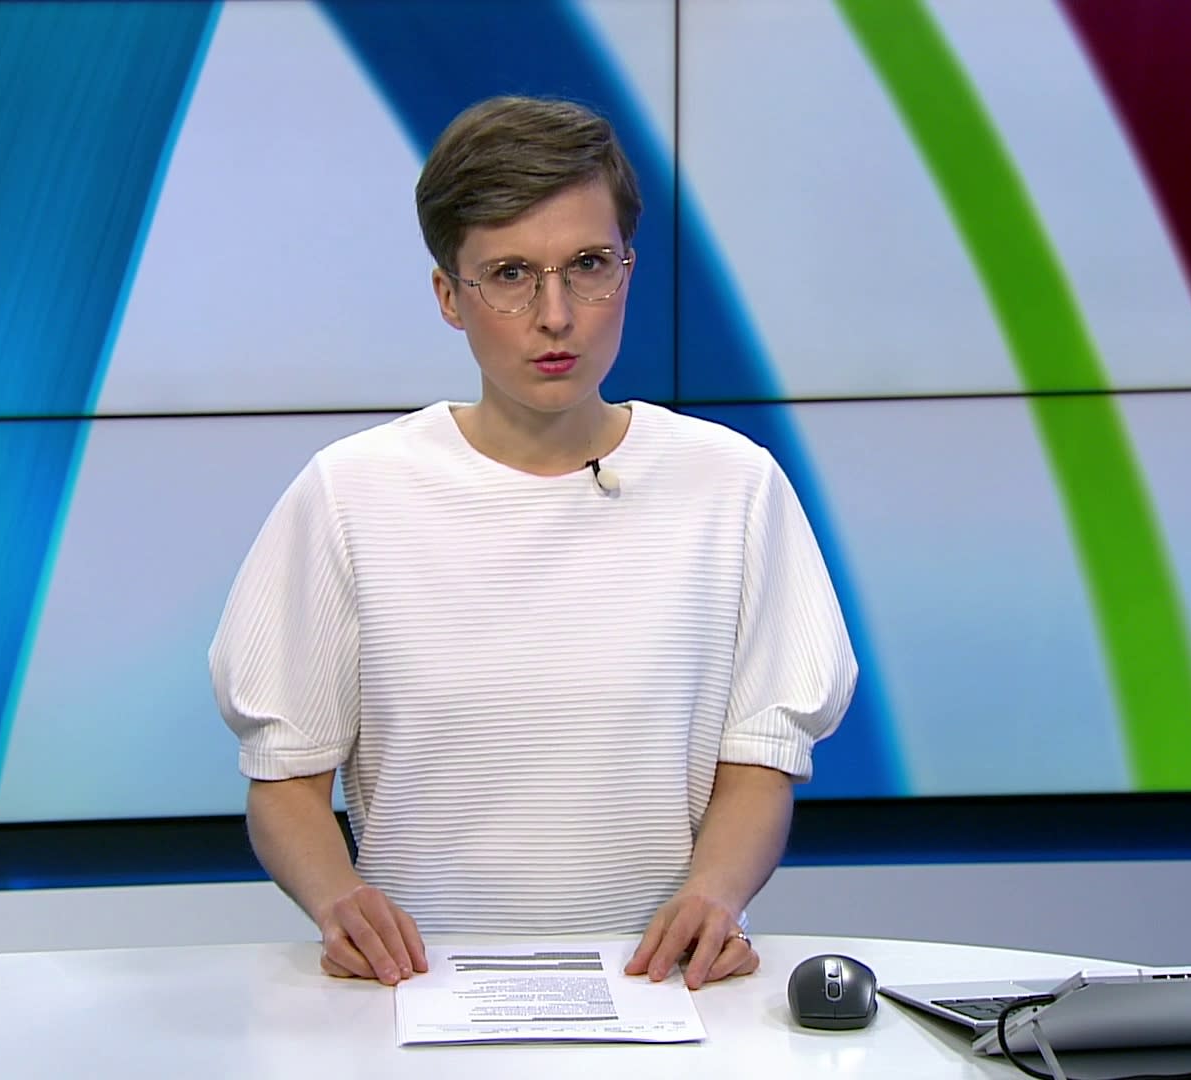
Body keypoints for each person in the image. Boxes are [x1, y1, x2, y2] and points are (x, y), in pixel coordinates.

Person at [209, 96, 855, 993]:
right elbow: (285, 779)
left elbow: (759, 763)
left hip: (666, 993)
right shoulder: (350, 493)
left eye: (588, 266)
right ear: (449, 296)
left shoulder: (732, 486)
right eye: (510, 275)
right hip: (415, 996)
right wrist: (337, 899)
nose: (556, 315)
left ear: (627, 269)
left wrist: (715, 893)